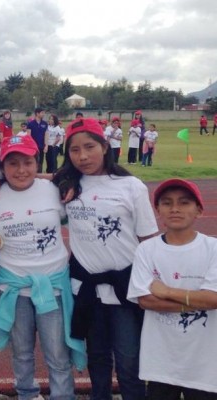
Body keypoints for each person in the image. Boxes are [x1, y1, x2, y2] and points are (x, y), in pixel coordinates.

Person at [52, 118, 159, 400]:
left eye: (90, 147)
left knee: (128, 361)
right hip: (86, 289)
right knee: (97, 360)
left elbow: (149, 241)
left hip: (125, 289)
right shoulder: (68, 185)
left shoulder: (131, 186)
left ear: (105, 145)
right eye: (74, 150)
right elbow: (30, 179)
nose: (83, 156)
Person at [0, 134, 85, 400]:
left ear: (36, 162)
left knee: (57, 353)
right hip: (14, 288)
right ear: (2, 167)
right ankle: (27, 394)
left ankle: (63, 396)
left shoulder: (53, 191)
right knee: (22, 352)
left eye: (27, 162)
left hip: (52, 287)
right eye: (13, 163)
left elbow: (72, 216)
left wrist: (60, 179)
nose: (21, 170)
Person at [128, 178, 217, 399]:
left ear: (199, 210)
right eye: (167, 203)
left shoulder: (213, 248)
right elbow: (146, 300)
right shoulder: (146, 250)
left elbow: (213, 299)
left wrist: (166, 291)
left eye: (184, 202)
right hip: (161, 362)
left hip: (205, 364)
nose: (175, 209)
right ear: (157, 210)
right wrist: (196, 300)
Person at [27, 107, 48, 173]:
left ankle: (39, 175)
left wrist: (46, 145)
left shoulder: (45, 123)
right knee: (33, 161)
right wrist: (30, 146)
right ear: (37, 113)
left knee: (40, 162)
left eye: (44, 112)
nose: (43, 114)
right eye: (42, 113)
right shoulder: (30, 124)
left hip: (41, 146)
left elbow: (46, 135)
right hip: (33, 147)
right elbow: (28, 136)